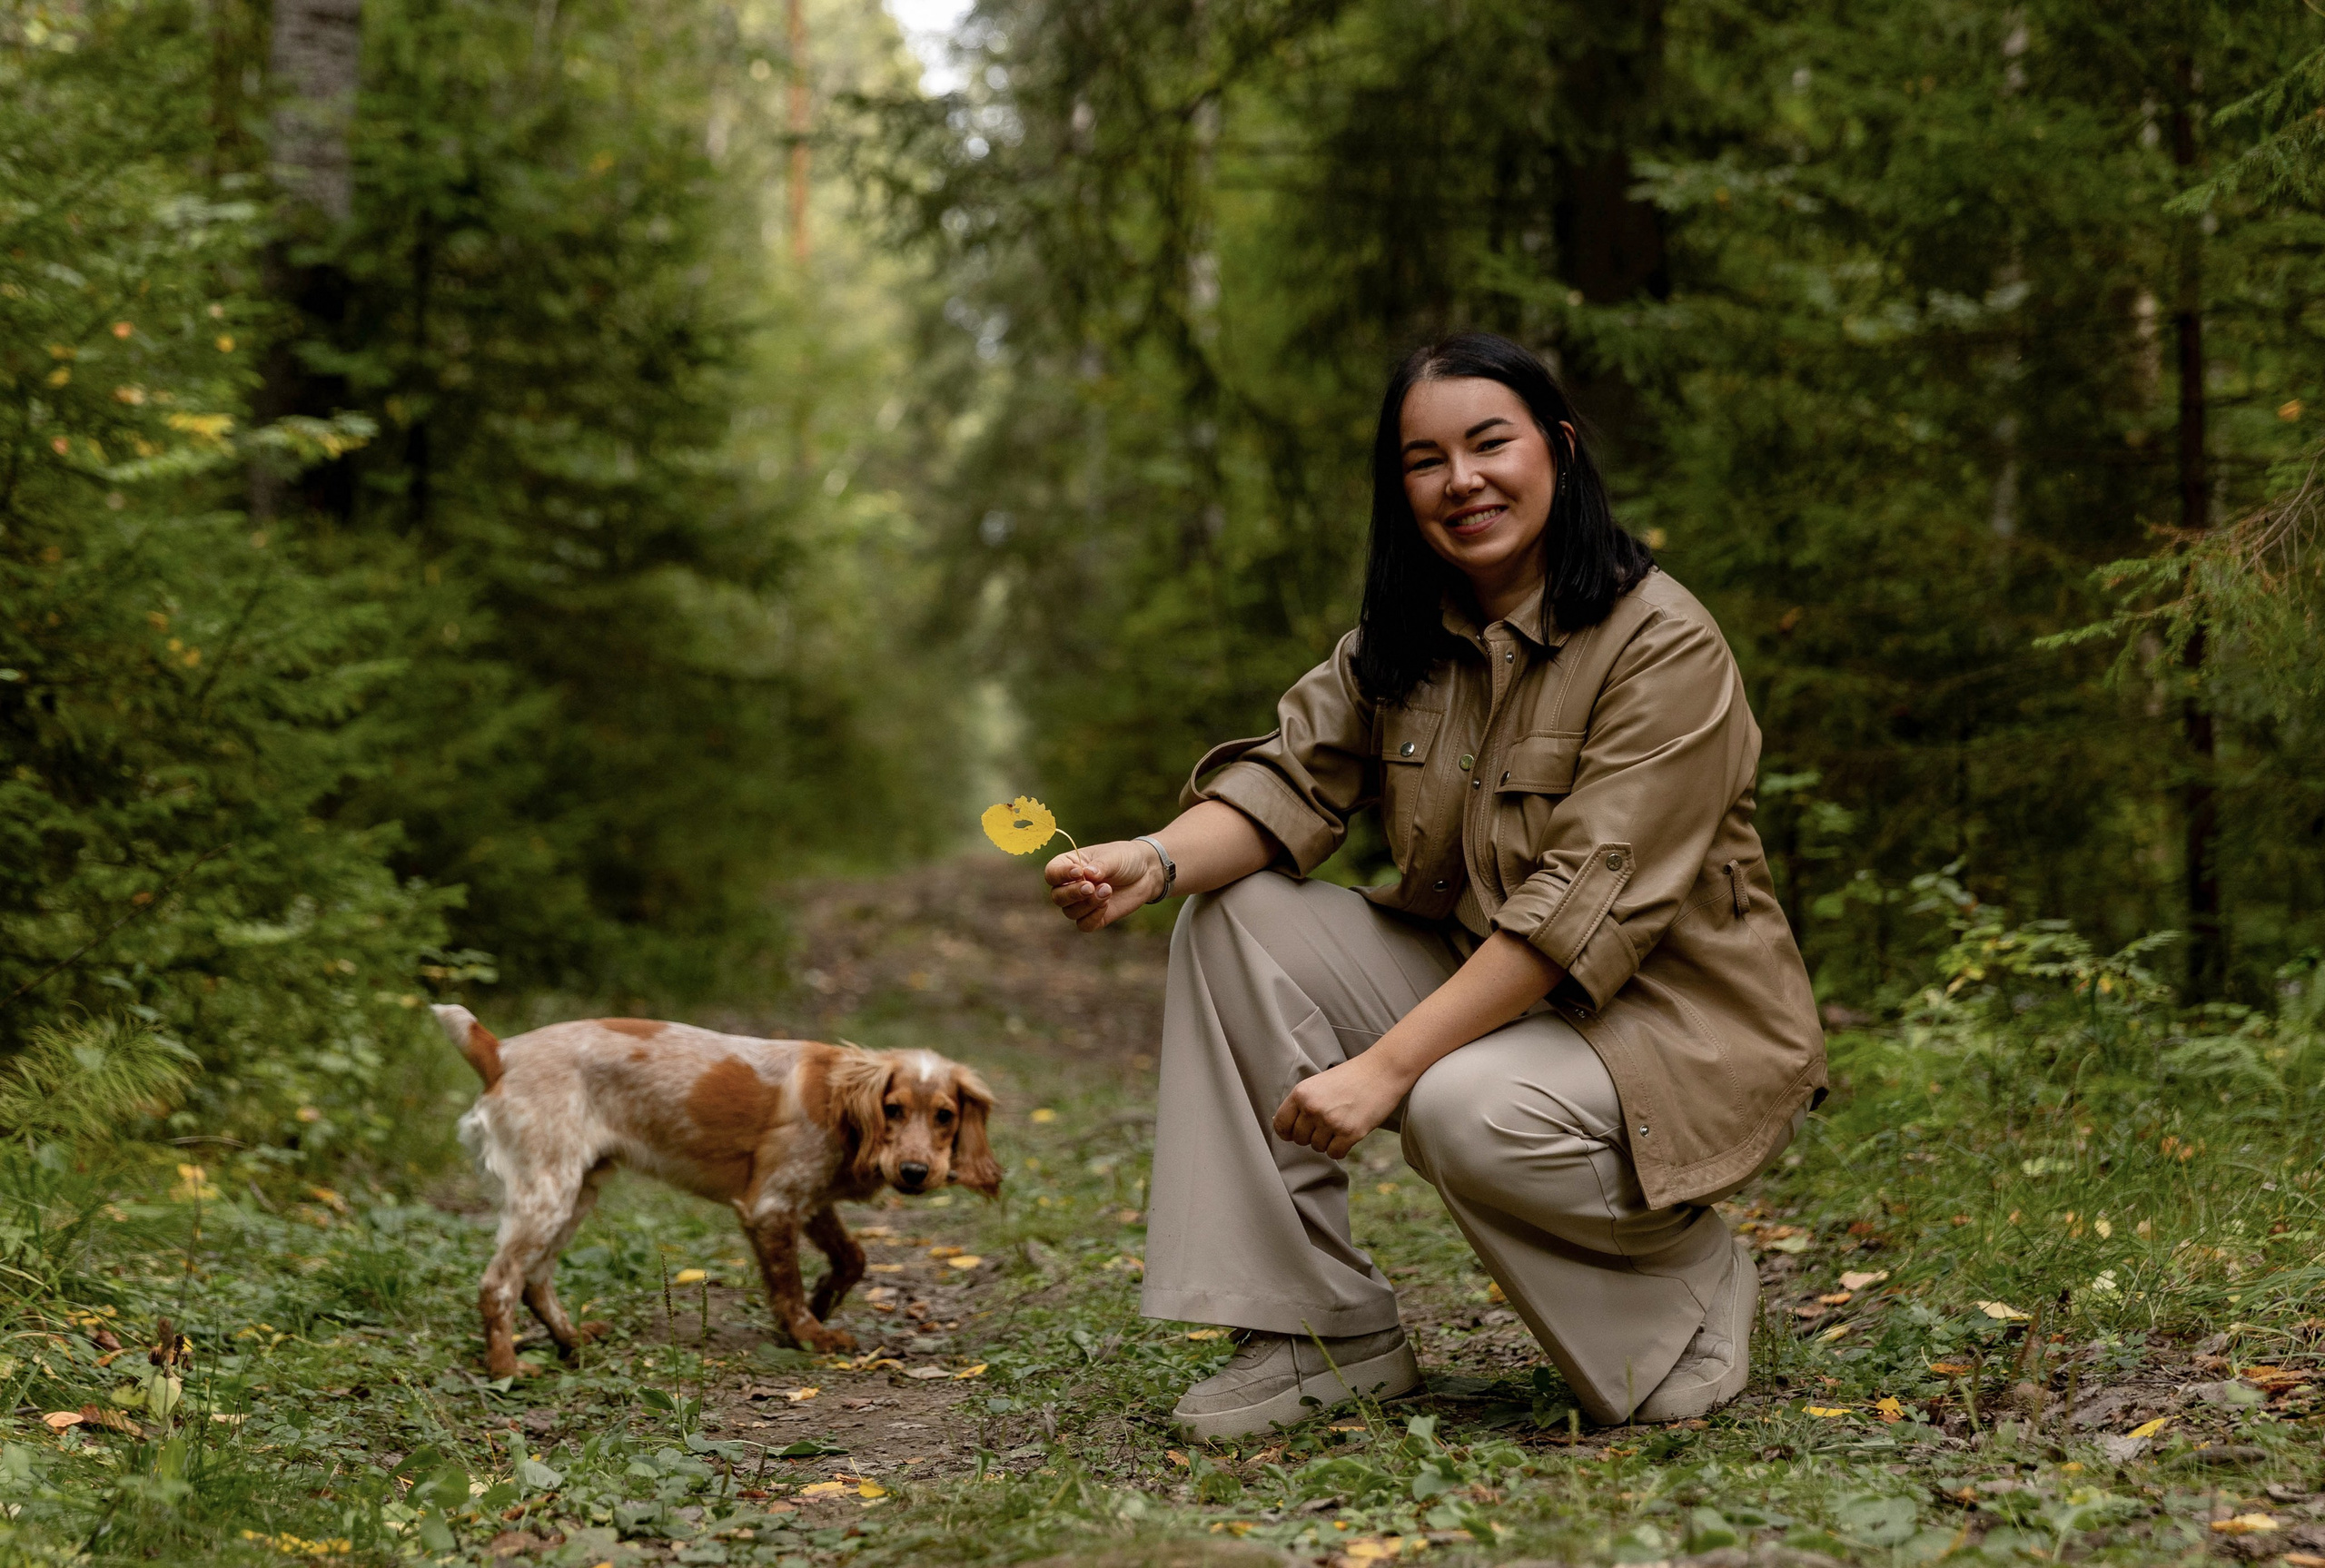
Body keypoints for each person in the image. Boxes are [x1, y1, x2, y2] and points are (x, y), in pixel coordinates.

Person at [1043, 331, 1825, 1439]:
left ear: (1556, 448)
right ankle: (1322, 1331)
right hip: (1500, 991)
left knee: (1464, 1108)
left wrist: (1382, 1070)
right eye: (1424, 458)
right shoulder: (1405, 639)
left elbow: (1575, 910)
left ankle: (1686, 1282)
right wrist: (1153, 859)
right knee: (1236, 923)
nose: (1461, 480)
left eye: (1488, 442)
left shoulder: (1662, 643)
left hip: (1676, 1025)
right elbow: (1287, 777)